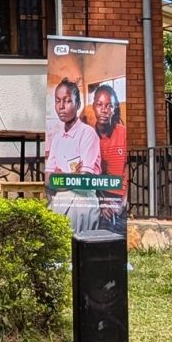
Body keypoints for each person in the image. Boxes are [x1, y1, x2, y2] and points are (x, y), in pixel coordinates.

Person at [45, 78, 101, 233]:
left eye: (67, 101)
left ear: (78, 104)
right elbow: (48, 179)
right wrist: (71, 176)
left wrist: (61, 178)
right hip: (60, 201)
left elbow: (84, 180)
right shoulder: (57, 138)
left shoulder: (87, 134)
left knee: (79, 250)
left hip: (82, 203)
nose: (61, 106)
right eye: (58, 101)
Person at [91, 84, 128, 234]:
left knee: (120, 233)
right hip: (97, 197)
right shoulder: (88, 136)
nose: (104, 110)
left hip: (121, 198)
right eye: (99, 105)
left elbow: (130, 171)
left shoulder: (124, 134)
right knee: (99, 232)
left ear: (115, 108)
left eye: (109, 106)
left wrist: (121, 204)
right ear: (93, 106)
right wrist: (102, 202)